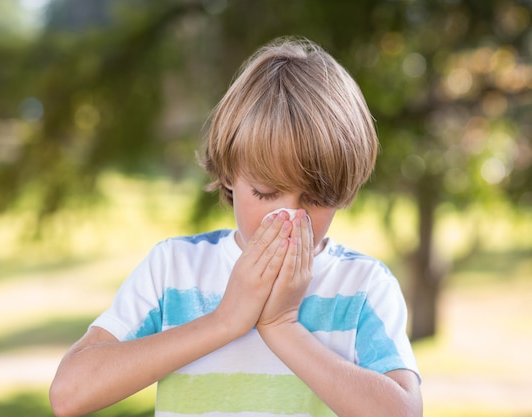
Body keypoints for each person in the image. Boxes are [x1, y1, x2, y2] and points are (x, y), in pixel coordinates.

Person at [50, 36, 423, 417]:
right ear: (229, 174)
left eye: (317, 197)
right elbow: (69, 393)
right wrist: (225, 320)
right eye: (266, 192)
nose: (290, 219)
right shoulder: (173, 269)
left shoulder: (363, 286)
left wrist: (281, 327)